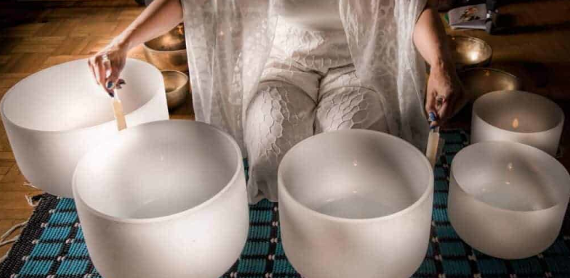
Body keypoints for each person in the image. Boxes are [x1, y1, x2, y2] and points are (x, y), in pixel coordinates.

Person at [89, 0, 465, 204]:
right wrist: (121, 43)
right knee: (270, 162)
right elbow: (184, 2)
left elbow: (416, 9)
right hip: (282, 62)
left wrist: (440, 64)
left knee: (349, 160)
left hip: (359, 64)